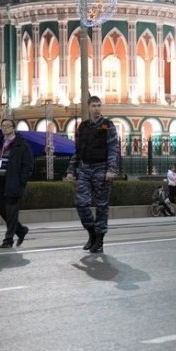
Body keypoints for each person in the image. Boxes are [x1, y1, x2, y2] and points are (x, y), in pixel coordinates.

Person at [66, 95, 120, 254]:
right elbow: (77, 150)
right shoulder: (83, 126)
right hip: (85, 168)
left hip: (102, 169)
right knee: (81, 203)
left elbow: (113, 149)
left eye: (99, 105)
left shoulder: (107, 126)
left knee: (101, 206)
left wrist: (111, 170)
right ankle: (92, 233)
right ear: (88, 107)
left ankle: (100, 240)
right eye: (93, 106)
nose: (96, 108)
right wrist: (71, 169)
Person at [0, 118, 34, 249]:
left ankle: (8, 240)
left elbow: (28, 166)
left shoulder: (21, 145)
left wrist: (21, 181)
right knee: (2, 211)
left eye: (8, 126)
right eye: (3, 126)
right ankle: (21, 230)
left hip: (13, 183)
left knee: (11, 212)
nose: (5, 128)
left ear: (13, 128)